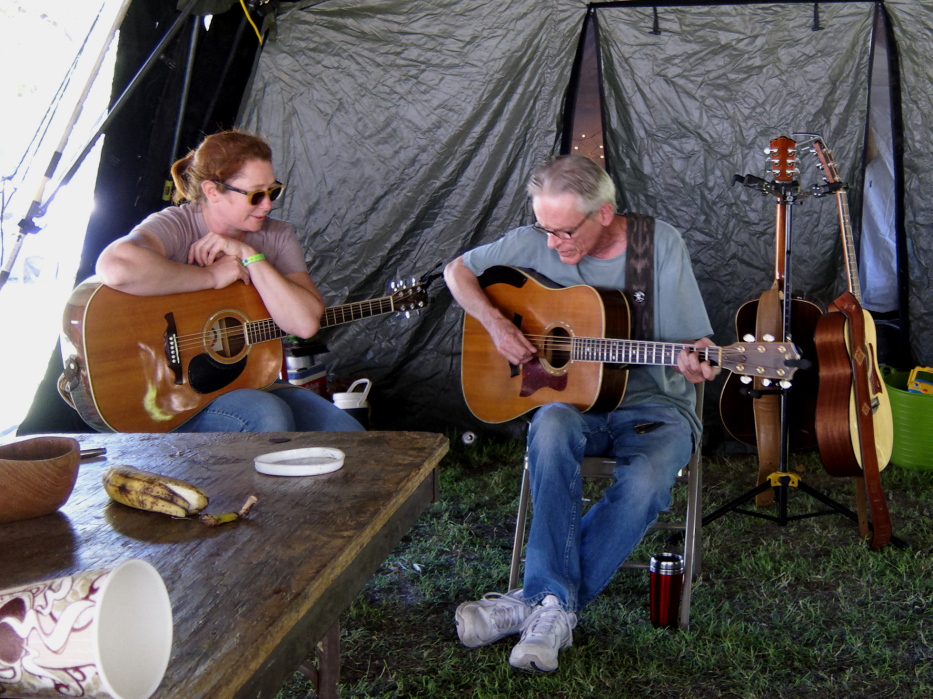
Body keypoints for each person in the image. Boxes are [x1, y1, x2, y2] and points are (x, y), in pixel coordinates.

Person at [444, 154, 716, 672]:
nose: (551, 244)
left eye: (564, 231)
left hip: (656, 407)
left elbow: (694, 343)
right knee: (549, 428)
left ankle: (536, 603)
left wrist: (699, 359)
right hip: (573, 406)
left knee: (647, 480)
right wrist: (497, 325)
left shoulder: (657, 245)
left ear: (604, 214)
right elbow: (455, 272)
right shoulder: (535, 239)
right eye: (544, 228)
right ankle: (552, 607)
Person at [95, 129, 364, 433]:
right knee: (266, 416)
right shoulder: (177, 224)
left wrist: (250, 255)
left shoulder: (277, 235)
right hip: (178, 395)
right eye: (256, 194)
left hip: (251, 379)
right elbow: (116, 267)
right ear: (212, 191)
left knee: (349, 434)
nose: (268, 205)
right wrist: (210, 276)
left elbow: (304, 325)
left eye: (273, 191)